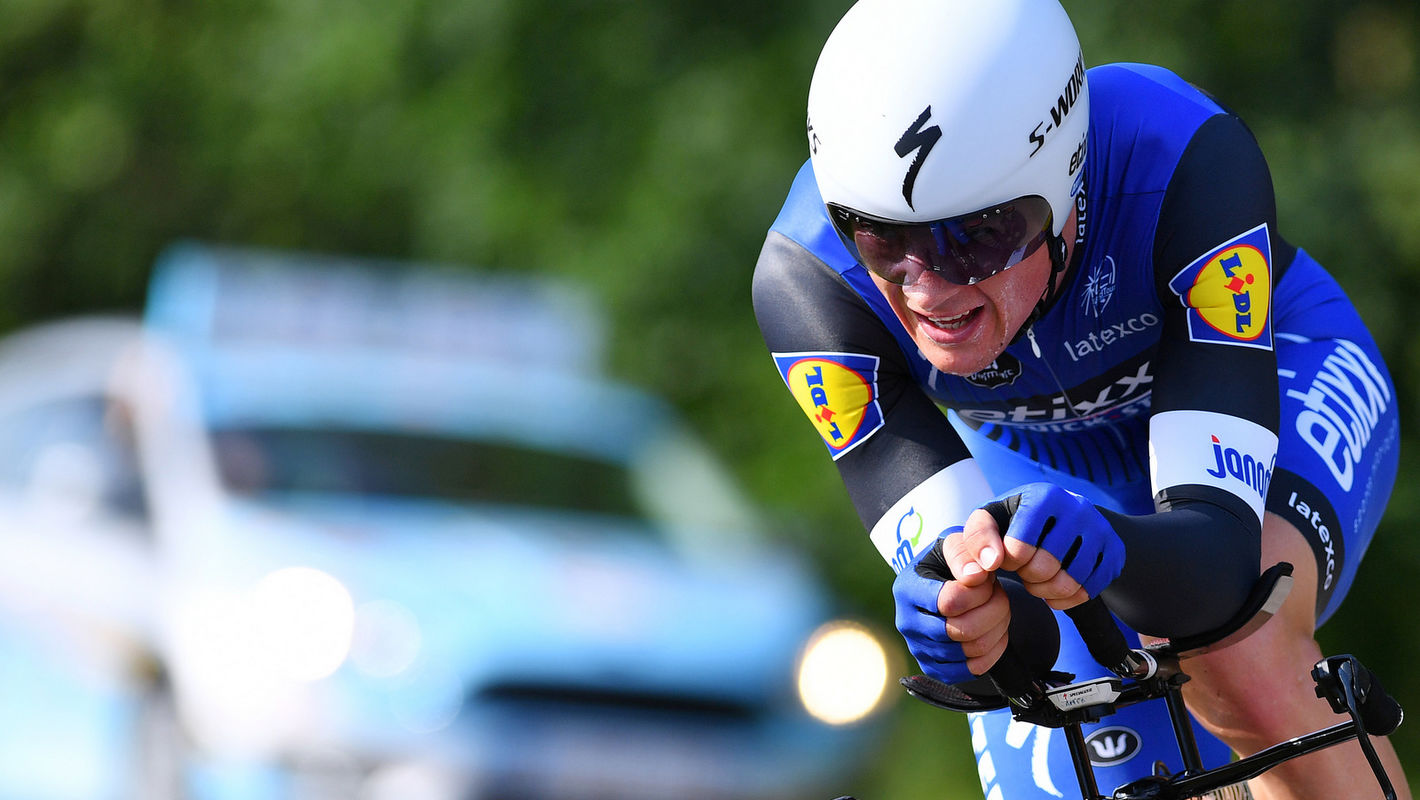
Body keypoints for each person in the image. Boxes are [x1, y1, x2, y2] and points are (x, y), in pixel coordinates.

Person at [750, 1, 1410, 798]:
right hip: (1036, 462)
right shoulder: (810, 281)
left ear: (1066, 185)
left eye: (978, 236)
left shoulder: (1178, 156)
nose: (930, 291)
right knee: (1071, 748)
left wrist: (1122, 552)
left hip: (1281, 378)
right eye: (884, 238)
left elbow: (1215, 569)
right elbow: (1010, 651)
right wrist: (969, 622)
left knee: (1233, 647)